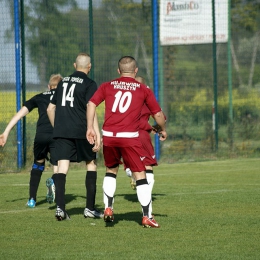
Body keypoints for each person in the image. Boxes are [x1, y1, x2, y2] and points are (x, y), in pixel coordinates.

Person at [86, 56, 167, 228]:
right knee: (140, 175)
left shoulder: (107, 85)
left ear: (118, 71)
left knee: (111, 171)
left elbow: (91, 104)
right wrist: (162, 128)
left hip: (109, 135)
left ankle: (108, 208)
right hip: (130, 137)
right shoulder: (143, 89)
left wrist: (90, 128)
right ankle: (147, 216)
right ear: (135, 70)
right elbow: (158, 115)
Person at [47, 53, 102, 221]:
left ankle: (60, 209)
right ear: (89, 67)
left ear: (74, 65)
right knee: (91, 164)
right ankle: (90, 209)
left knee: (62, 168)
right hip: (81, 130)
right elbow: (90, 108)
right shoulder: (89, 83)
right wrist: (96, 132)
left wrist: (58, 127)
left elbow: (50, 108)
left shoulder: (62, 82)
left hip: (62, 131)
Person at [0, 74, 63, 207]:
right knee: (59, 167)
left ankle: (32, 199)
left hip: (40, 136)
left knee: (38, 164)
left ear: (48, 86)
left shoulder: (39, 96)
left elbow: (19, 114)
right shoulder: (63, 97)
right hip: (56, 135)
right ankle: (53, 181)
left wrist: (5, 132)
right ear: (61, 87)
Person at [124, 76, 166, 217]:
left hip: (121, 135)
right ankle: (147, 210)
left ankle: (131, 172)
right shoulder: (146, 96)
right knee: (148, 170)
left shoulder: (123, 95)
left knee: (125, 168)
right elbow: (161, 117)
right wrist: (157, 128)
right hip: (141, 136)